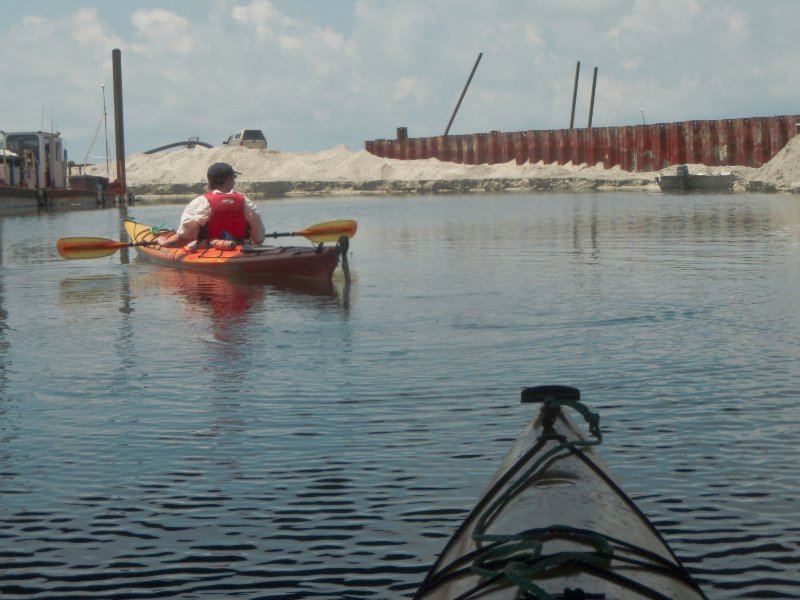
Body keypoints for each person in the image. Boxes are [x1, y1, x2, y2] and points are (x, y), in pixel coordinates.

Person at [157, 162, 266, 248]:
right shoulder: (245, 201)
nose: (234, 181)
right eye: (234, 178)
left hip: (210, 249)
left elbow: (184, 238)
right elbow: (259, 238)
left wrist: (164, 242)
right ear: (228, 180)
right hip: (242, 247)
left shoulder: (200, 202)